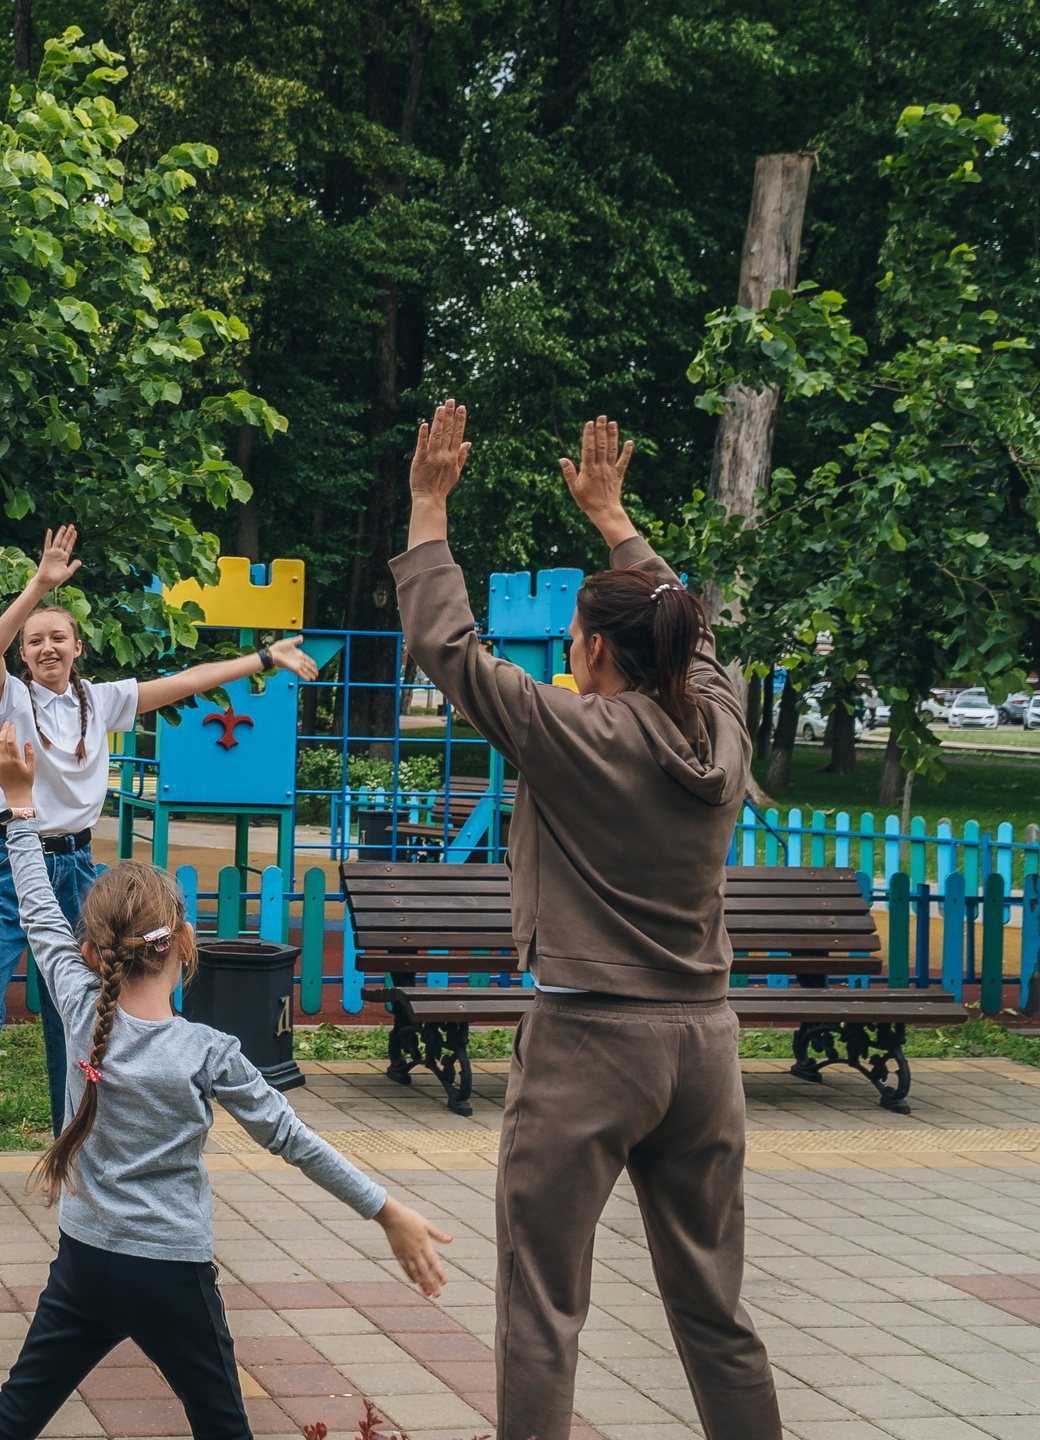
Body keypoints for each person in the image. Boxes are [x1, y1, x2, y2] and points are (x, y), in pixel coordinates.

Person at [395, 403, 777, 1440]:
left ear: (600, 653)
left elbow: (447, 646)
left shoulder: (573, 731)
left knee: (542, 1308)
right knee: (714, 1307)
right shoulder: (724, 726)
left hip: (586, 1044)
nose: (565, 658)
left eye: (574, 642)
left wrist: (429, 506)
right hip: (704, 1045)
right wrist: (615, 522)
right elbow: (689, 638)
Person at [0, 721, 452, 1440]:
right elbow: (295, 1142)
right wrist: (385, 1210)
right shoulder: (209, 1052)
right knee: (223, 1428)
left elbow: (35, 905)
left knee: (13, 1414)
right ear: (185, 943)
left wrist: (21, 801)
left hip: (86, 1262)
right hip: (174, 1274)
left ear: (91, 953)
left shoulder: (72, 994)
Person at [0, 525, 320, 1213]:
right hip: (12, 866)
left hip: (81, 872)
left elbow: (182, 683)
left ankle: (74, 1151)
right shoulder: (11, 700)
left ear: (78, 647)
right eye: (36, 641)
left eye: (57, 636)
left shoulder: (103, 701)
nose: (46, 647)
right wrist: (40, 587)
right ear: (26, 656)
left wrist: (261, 658)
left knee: (87, 1022)